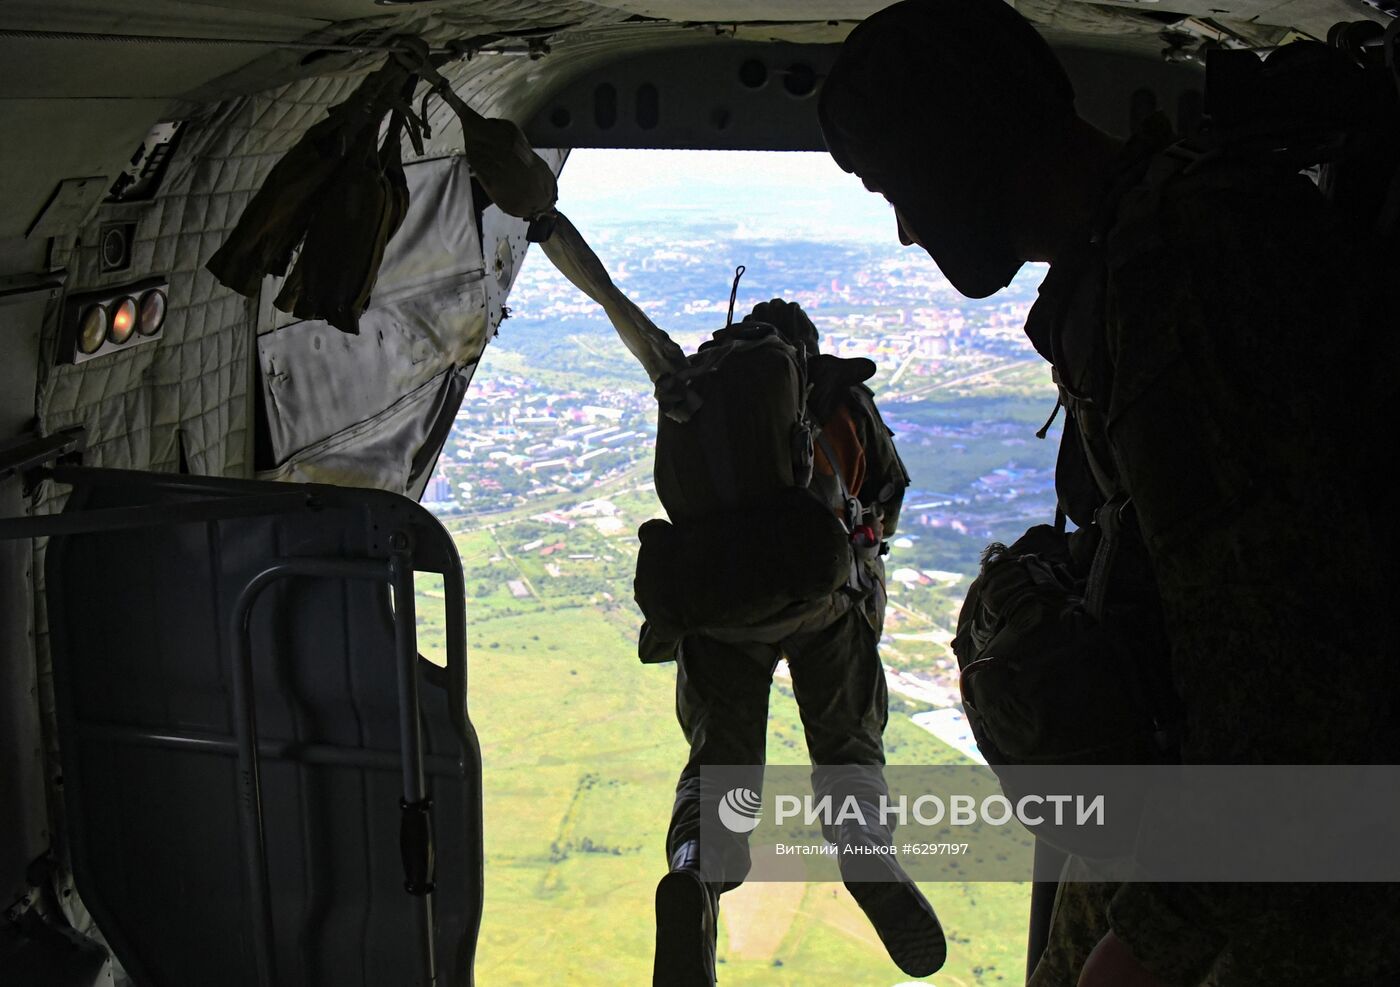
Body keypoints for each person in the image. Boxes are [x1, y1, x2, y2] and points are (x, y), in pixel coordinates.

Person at [818, 2, 1400, 986]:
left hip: (1302, 872)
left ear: (956, 146)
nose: (907, 231)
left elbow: (1285, 680)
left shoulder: (1182, 275)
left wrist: (1147, 946)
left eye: (896, 187)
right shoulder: (1147, 246)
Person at [648, 299, 946, 985]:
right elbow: (886, 495)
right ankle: (864, 845)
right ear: (805, 351)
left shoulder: (703, 391)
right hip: (822, 604)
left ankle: (696, 869)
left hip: (718, 607)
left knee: (717, 767)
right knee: (847, 744)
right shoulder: (836, 397)